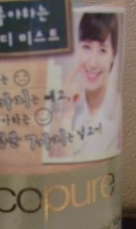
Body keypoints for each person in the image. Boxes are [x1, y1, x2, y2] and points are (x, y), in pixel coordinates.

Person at [48, 11, 121, 160]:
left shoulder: (118, 108)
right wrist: (66, 115)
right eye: (86, 47)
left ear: (113, 55)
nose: (92, 63)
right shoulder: (67, 103)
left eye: (102, 50)